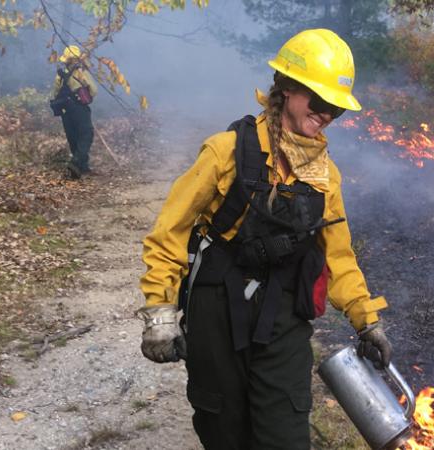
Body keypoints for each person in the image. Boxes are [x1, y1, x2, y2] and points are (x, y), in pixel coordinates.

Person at [137, 29, 392, 449]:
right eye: (320, 101)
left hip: (284, 316)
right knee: (224, 430)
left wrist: (368, 321)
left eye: (336, 109)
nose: (327, 114)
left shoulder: (326, 176)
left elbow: (338, 257)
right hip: (216, 310)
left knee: (285, 434)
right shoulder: (225, 152)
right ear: (288, 88)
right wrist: (160, 313)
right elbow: (169, 233)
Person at [50, 45, 97, 179]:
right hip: (80, 109)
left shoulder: (60, 74)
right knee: (86, 134)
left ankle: (82, 168)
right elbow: (94, 90)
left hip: (65, 110)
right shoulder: (81, 72)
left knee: (73, 137)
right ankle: (76, 163)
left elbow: (54, 93)